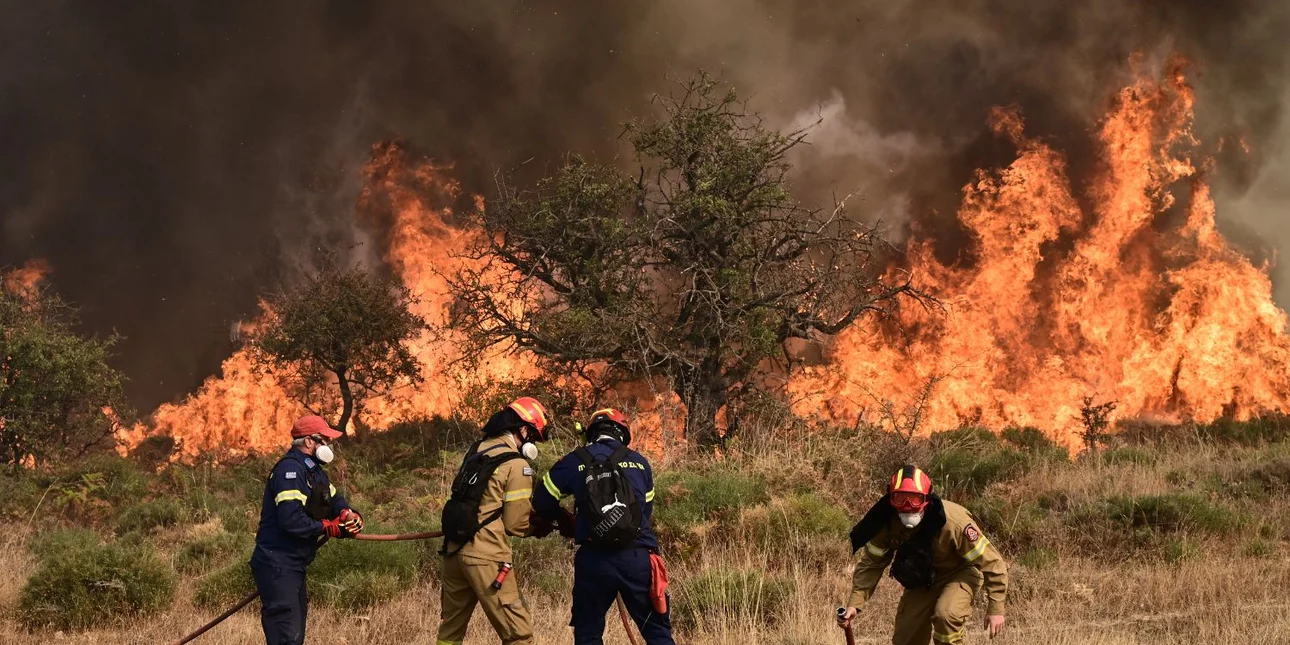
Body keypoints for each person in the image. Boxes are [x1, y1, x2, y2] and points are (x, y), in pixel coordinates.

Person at [532, 408, 676, 645]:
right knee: (657, 632)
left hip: (594, 561)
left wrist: (565, 519)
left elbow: (542, 501)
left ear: (591, 434)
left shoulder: (574, 461)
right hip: (637, 557)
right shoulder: (640, 463)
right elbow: (645, 513)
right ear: (622, 433)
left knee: (588, 634)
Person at [837, 465, 1009, 645]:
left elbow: (993, 563)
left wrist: (996, 609)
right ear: (891, 498)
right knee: (906, 638)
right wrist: (854, 604)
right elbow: (872, 563)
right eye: (900, 498)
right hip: (922, 579)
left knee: (946, 616)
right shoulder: (885, 523)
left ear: (926, 499)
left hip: (960, 573)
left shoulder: (953, 522)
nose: (907, 506)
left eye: (914, 499)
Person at [436, 397, 551, 645]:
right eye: (533, 435)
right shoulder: (517, 465)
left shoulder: (476, 451)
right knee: (518, 634)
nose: (532, 442)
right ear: (522, 429)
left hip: (453, 551)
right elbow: (515, 524)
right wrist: (540, 527)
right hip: (486, 557)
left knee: (450, 632)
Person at [250, 414, 364, 645]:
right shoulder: (289, 471)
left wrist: (347, 514)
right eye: (323, 440)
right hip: (278, 565)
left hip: (293, 565)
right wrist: (325, 526)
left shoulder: (314, 471)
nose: (328, 446)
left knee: (294, 636)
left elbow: (334, 499)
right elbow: (291, 520)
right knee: (286, 638)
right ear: (309, 442)